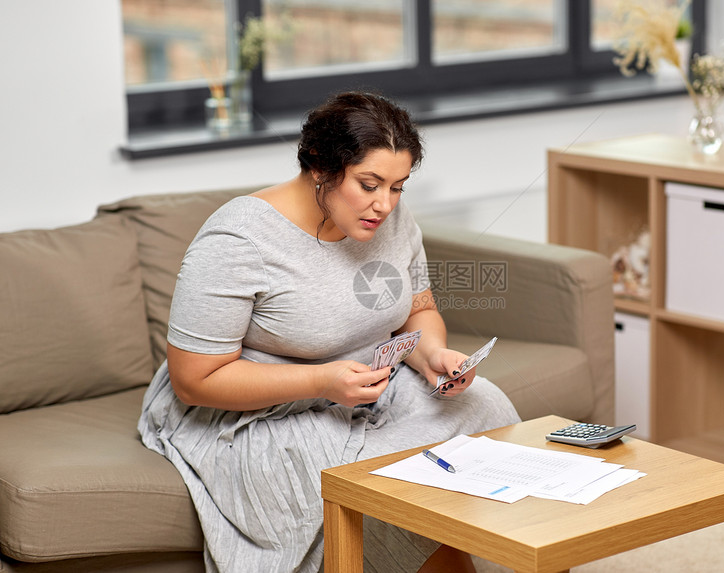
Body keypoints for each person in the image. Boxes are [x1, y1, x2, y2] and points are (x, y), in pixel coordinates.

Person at [138, 91, 521, 573]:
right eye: (369, 184)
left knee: (483, 404)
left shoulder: (391, 219)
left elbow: (417, 309)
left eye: (398, 187)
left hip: (365, 382)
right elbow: (194, 379)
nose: (384, 204)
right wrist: (322, 382)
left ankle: (526, 551)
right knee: (384, 483)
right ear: (320, 166)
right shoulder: (238, 240)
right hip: (253, 409)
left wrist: (432, 354)